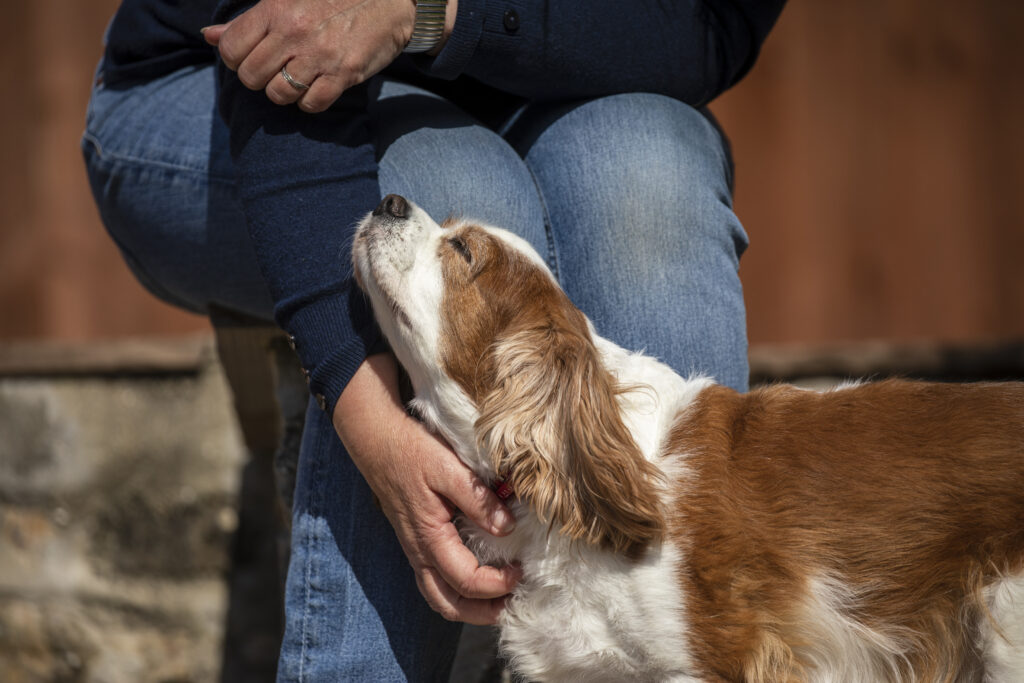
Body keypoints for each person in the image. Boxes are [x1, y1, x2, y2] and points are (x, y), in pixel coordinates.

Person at [82, 0, 785, 679]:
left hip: (553, 68)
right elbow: (290, 45)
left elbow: (709, 21)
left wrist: (437, 12)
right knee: (457, 184)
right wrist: (371, 418)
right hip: (219, 83)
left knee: (652, 185)